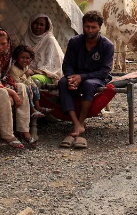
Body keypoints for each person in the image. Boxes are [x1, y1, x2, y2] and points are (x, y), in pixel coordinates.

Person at [58, 10, 114, 149]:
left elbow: (104, 71)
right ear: (83, 26)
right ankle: (76, 123)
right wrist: (71, 78)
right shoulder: (75, 42)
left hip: (96, 77)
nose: (90, 30)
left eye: (93, 27)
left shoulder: (107, 45)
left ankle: (81, 122)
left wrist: (81, 77)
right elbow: (67, 64)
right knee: (62, 82)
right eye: (87, 26)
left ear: (99, 27)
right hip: (77, 76)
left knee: (89, 84)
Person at [22, 14, 64, 85]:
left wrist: (33, 71)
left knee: (33, 80)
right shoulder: (26, 38)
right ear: (31, 24)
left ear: (46, 27)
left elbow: (49, 66)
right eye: (36, 23)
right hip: (26, 72)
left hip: (48, 75)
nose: (38, 27)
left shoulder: (49, 40)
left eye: (42, 25)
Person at [11, 44, 45, 124]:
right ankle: (32, 109)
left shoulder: (25, 67)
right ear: (16, 57)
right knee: (26, 88)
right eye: (22, 58)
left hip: (25, 84)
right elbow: (17, 83)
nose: (25, 60)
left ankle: (38, 107)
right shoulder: (13, 69)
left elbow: (28, 79)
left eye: (27, 58)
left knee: (34, 85)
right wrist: (26, 75)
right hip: (17, 88)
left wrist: (30, 84)